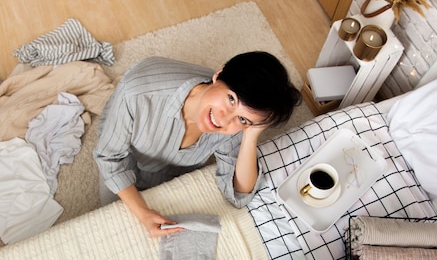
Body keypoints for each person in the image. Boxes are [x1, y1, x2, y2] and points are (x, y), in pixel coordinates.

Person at [94, 52, 300, 237]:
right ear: (219, 75)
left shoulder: (235, 126)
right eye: (231, 100)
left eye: (243, 119)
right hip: (126, 160)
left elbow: (239, 193)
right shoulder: (139, 93)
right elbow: (109, 158)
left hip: (172, 173)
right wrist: (143, 213)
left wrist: (251, 133)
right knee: (114, 228)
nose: (224, 120)